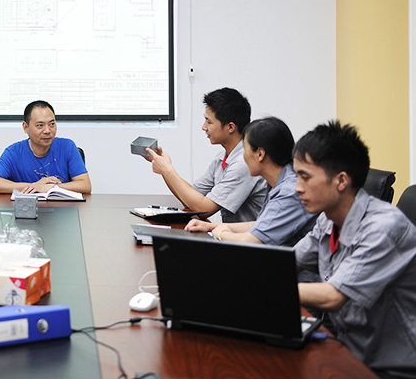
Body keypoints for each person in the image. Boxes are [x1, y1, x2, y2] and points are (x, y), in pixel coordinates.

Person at [293, 121, 416, 377]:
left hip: (392, 368)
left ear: (341, 180)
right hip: (350, 348)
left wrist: (268, 290)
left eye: (305, 177)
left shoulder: (383, 227)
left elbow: (332, 296)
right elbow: (289, 261)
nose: (297, 187)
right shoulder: (328, 220)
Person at [185, 116, 316, 245]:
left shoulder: (289, 191)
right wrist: (213, 226)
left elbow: (252, 241)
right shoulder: (279, 182)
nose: (243, 156)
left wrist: (220, 233)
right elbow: (263, 225)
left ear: (260, 154)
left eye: (245, 149)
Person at [144, 87, 268, 222]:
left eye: (209, 122)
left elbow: (203, 210)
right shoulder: (222, 158)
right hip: (231, 233)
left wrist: (168, 170)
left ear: (230, 127)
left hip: (250, 236)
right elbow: (190, 199)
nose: (204, 127)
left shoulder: (243, 163)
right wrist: (163, 167)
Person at [0, 100, 91, 194]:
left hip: (61, 208)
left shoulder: (67, 147)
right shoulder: (13, 152)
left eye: (52, 124)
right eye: (40, 125)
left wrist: (52, 187)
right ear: (25, 127)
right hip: (27, 208)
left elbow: (85, 185)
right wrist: (34, 186)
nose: (47, 130)